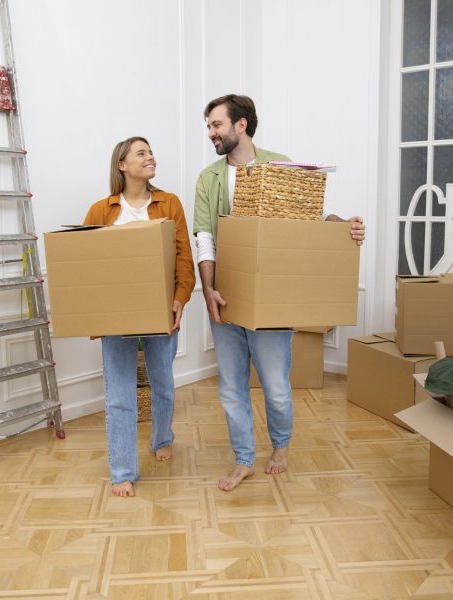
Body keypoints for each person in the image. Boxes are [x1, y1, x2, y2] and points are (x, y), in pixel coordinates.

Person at [193, 94, 365, 492]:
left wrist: (343, 226)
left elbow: (308, 218)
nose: (211, 133)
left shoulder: (280, 163)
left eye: (216, 125)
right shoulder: (209, 178)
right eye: (208, 126)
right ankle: (243, 459)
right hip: (225, 297)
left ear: (241, 125)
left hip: (271, 299)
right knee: (231, 387)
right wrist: (209, 290)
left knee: (275, 386)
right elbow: (204, 236)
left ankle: (281, 447)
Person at [84, 136, 195, 497]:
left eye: (151, 152)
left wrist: (180, 299)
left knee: (162, 383)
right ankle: (122, 471)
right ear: (122, 165)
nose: (150, 157)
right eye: (141, 153)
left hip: (161, 312)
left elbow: (183, 257)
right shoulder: (102, 211)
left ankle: (162, 437)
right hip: (118, 318)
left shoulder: (169, 203)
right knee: (119, 394)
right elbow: (86, 265)